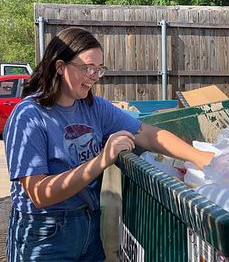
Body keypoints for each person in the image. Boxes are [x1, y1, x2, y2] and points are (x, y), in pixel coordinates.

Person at [4, 27, 214, 261]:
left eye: (99, 68)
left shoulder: (94, 108)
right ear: (60, 67)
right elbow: (40, 194)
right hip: (44, 233)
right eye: (87, 67)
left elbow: (147, 134)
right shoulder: (29, 116)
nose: (94, 75)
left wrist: (201, 157)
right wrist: (103, 159)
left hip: (88, 226)